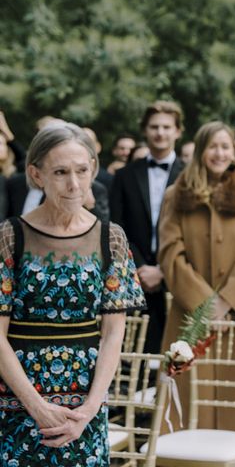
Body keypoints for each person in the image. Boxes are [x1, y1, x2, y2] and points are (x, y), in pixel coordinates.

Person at [0, 122, 145, 465]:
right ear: (36, 175)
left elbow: (113, 333)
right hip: (17, 400)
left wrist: (91, 407)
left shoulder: (112, 238)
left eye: (82, 170)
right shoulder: (8, 237)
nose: (74, 184)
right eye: (61, 172)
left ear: (94, 168)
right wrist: (35, 406)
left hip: (86, 401)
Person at [157, 121, 235, 462]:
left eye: (225, 146)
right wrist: (203, 306)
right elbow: (170, 253)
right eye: (212, 146)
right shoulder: (176, 195)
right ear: (199, 151)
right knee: (187, 410)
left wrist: (226, 302)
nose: (219, 153)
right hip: (188, 319)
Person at [109, 101, 185, 354]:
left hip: (180, 273)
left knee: (179, 354)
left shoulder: (191, 175)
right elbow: (117, 227)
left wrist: (163, 269)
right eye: (154, 127)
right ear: (145, 130)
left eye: (166, 127)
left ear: (177, 131)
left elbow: (195, 233)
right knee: (136, 355)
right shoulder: (125, 175)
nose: (160, 133)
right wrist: (140, 266)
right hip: (135, 273)